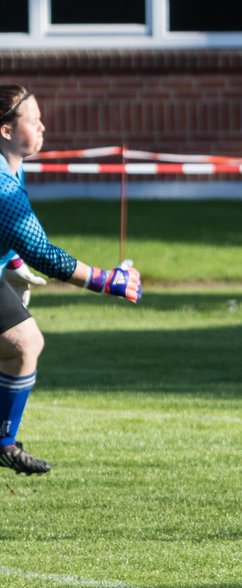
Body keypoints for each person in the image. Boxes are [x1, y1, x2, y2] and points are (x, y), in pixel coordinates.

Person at [0, 83, 142, 476]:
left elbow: (12, 237)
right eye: (34, 120)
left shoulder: (11, 164)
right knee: (23, 343)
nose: (43, 127)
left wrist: (11, 264)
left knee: (23, 344)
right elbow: (42, 252)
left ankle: (4, 444)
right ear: (6, 130)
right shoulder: (2, 184)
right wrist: (105, 281)